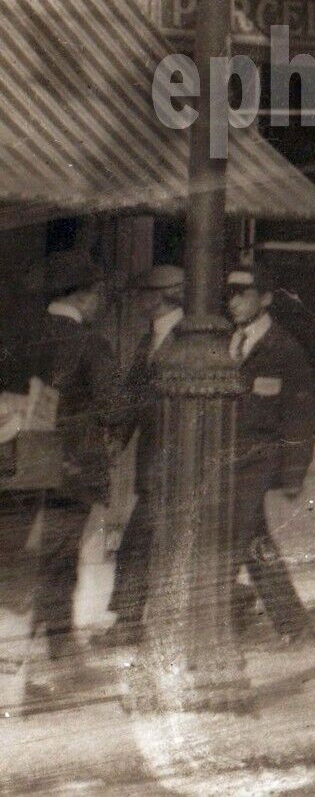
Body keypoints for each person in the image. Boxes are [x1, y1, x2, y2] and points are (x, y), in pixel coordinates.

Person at [28, 251, 122, 667]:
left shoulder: (19, 335)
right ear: (86, 296)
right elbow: (113, 409)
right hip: (71, 467)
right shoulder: (90, 344)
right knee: (59, 559)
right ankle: (61, 652)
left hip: (17, 462)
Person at [227, 264, 315, 644]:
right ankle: (292, 623)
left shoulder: (285, 349)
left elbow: (301, 416)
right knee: (251, 539)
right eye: (230, 296)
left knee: (234, 535)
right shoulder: (226, 344)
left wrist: (295, 471)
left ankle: (218, 613)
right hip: (226, 458)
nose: (234, 303)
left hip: (260, 459)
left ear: (264, 299)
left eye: (244, 295)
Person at [101, 264, 184, 648]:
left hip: (181, 461)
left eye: (144, 292)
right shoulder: (150, 338)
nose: (138, 299)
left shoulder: (190, 337)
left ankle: (129, 622)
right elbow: (134, 398)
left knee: (142, 540)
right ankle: (131, 621)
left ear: (165, 295)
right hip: (156, 463)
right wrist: (117, 434)